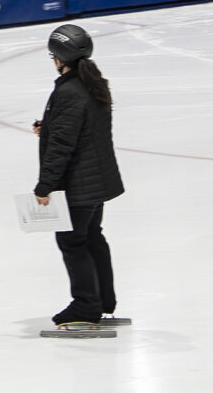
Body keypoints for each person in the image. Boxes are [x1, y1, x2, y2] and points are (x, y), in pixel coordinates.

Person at [32, 24, 125, 330]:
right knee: (92, 237)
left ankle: (86, 305)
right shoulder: (92, 82)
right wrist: (48, 126)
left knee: (72, 242)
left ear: (60, 57)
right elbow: (82, 129)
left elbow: (62, 146)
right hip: (97, 181)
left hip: (79, 185)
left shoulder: (70, 90)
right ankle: (103, 300)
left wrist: (45, 186)